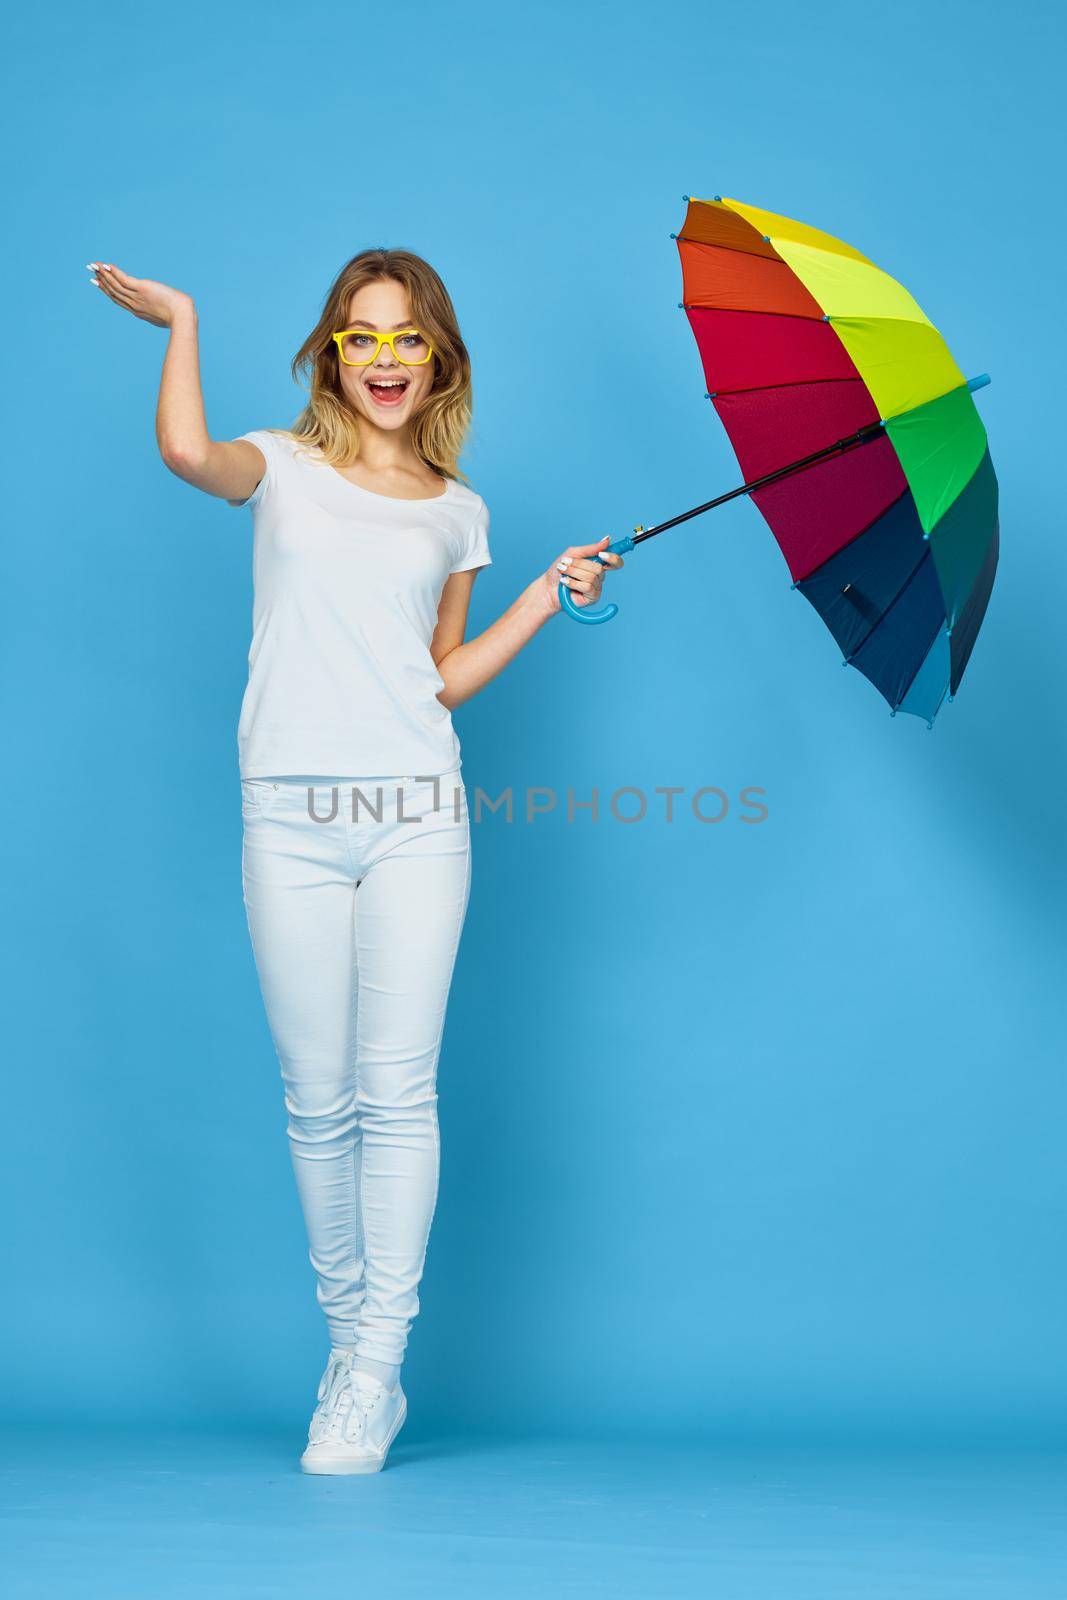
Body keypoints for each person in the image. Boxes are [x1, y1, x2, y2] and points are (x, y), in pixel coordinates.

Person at [86, 247, 623, 1474]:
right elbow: (184, 454)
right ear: (332, 350)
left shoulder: (456, 508)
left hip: (416, 813)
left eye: (408, 337)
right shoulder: (278, 466)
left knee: (397, 1091)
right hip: (287, 813)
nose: (385, 357)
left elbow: (436, 679)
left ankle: (377, 1363)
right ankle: (346, 1351)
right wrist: (182, 318)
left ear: (440, 359)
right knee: (315, 1097)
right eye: (361, 335)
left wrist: (540, 594)